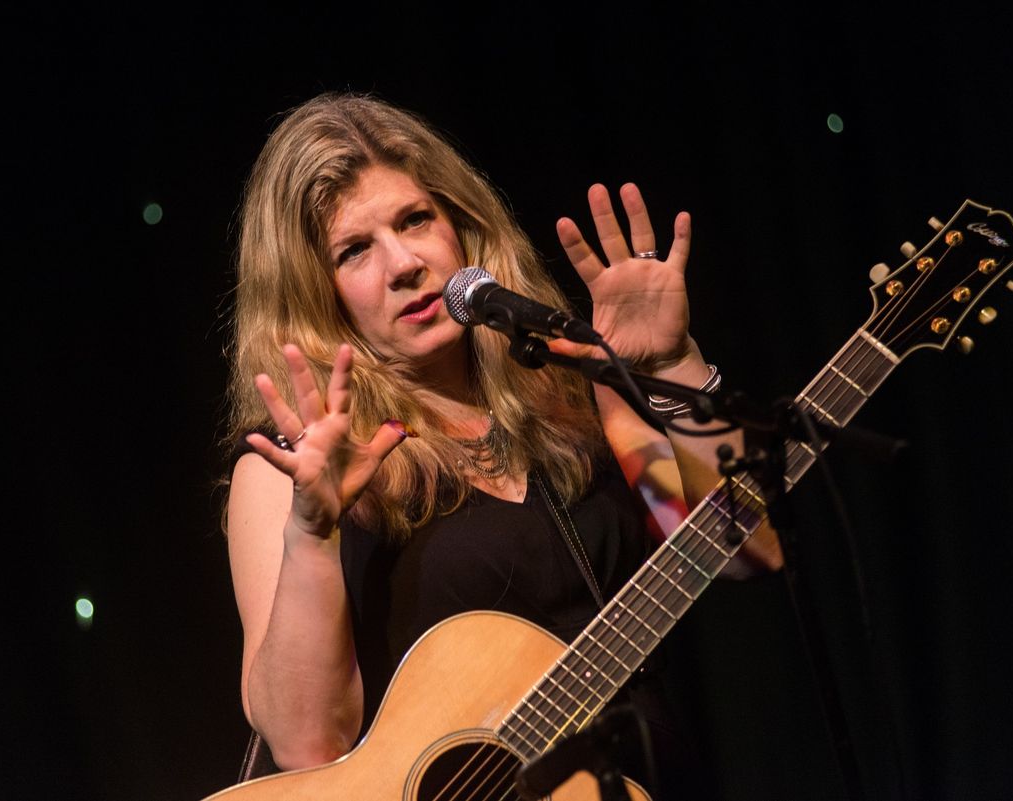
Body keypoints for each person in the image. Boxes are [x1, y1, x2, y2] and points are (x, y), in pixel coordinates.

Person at [223, 92, 782, 797]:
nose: (403, 264)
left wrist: (673, 364)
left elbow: (745, 547)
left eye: (415, 219)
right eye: (354, 250)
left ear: (461, 226)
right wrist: (312, 527)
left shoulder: (573, 392)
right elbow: (305, 742)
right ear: (314, 293)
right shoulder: (285, 465)